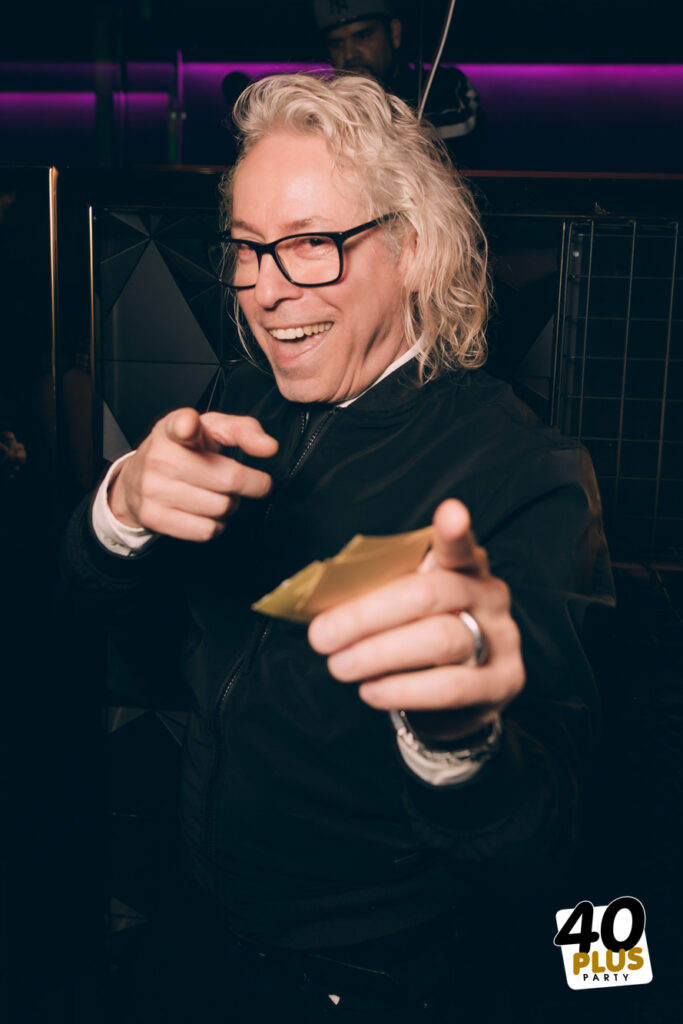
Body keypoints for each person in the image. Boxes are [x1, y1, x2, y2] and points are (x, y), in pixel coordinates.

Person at [62, 73, 613, 1022]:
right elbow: (89, 625)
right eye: (247, 248)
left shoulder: (523, 469)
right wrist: (120, 513)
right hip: (194, 940)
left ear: (413, 248)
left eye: (311, 243)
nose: (266, 290)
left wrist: (459, 741)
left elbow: (554, 840)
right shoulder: (236, 403)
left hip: (372, 985)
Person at [313, 0, 480, 157]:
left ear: (394, 33)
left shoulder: (443, 86)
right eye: (336, 43)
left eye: (362, 36)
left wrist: (373, 106)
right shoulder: (320, 104)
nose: (349, 54)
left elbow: (460, 132)